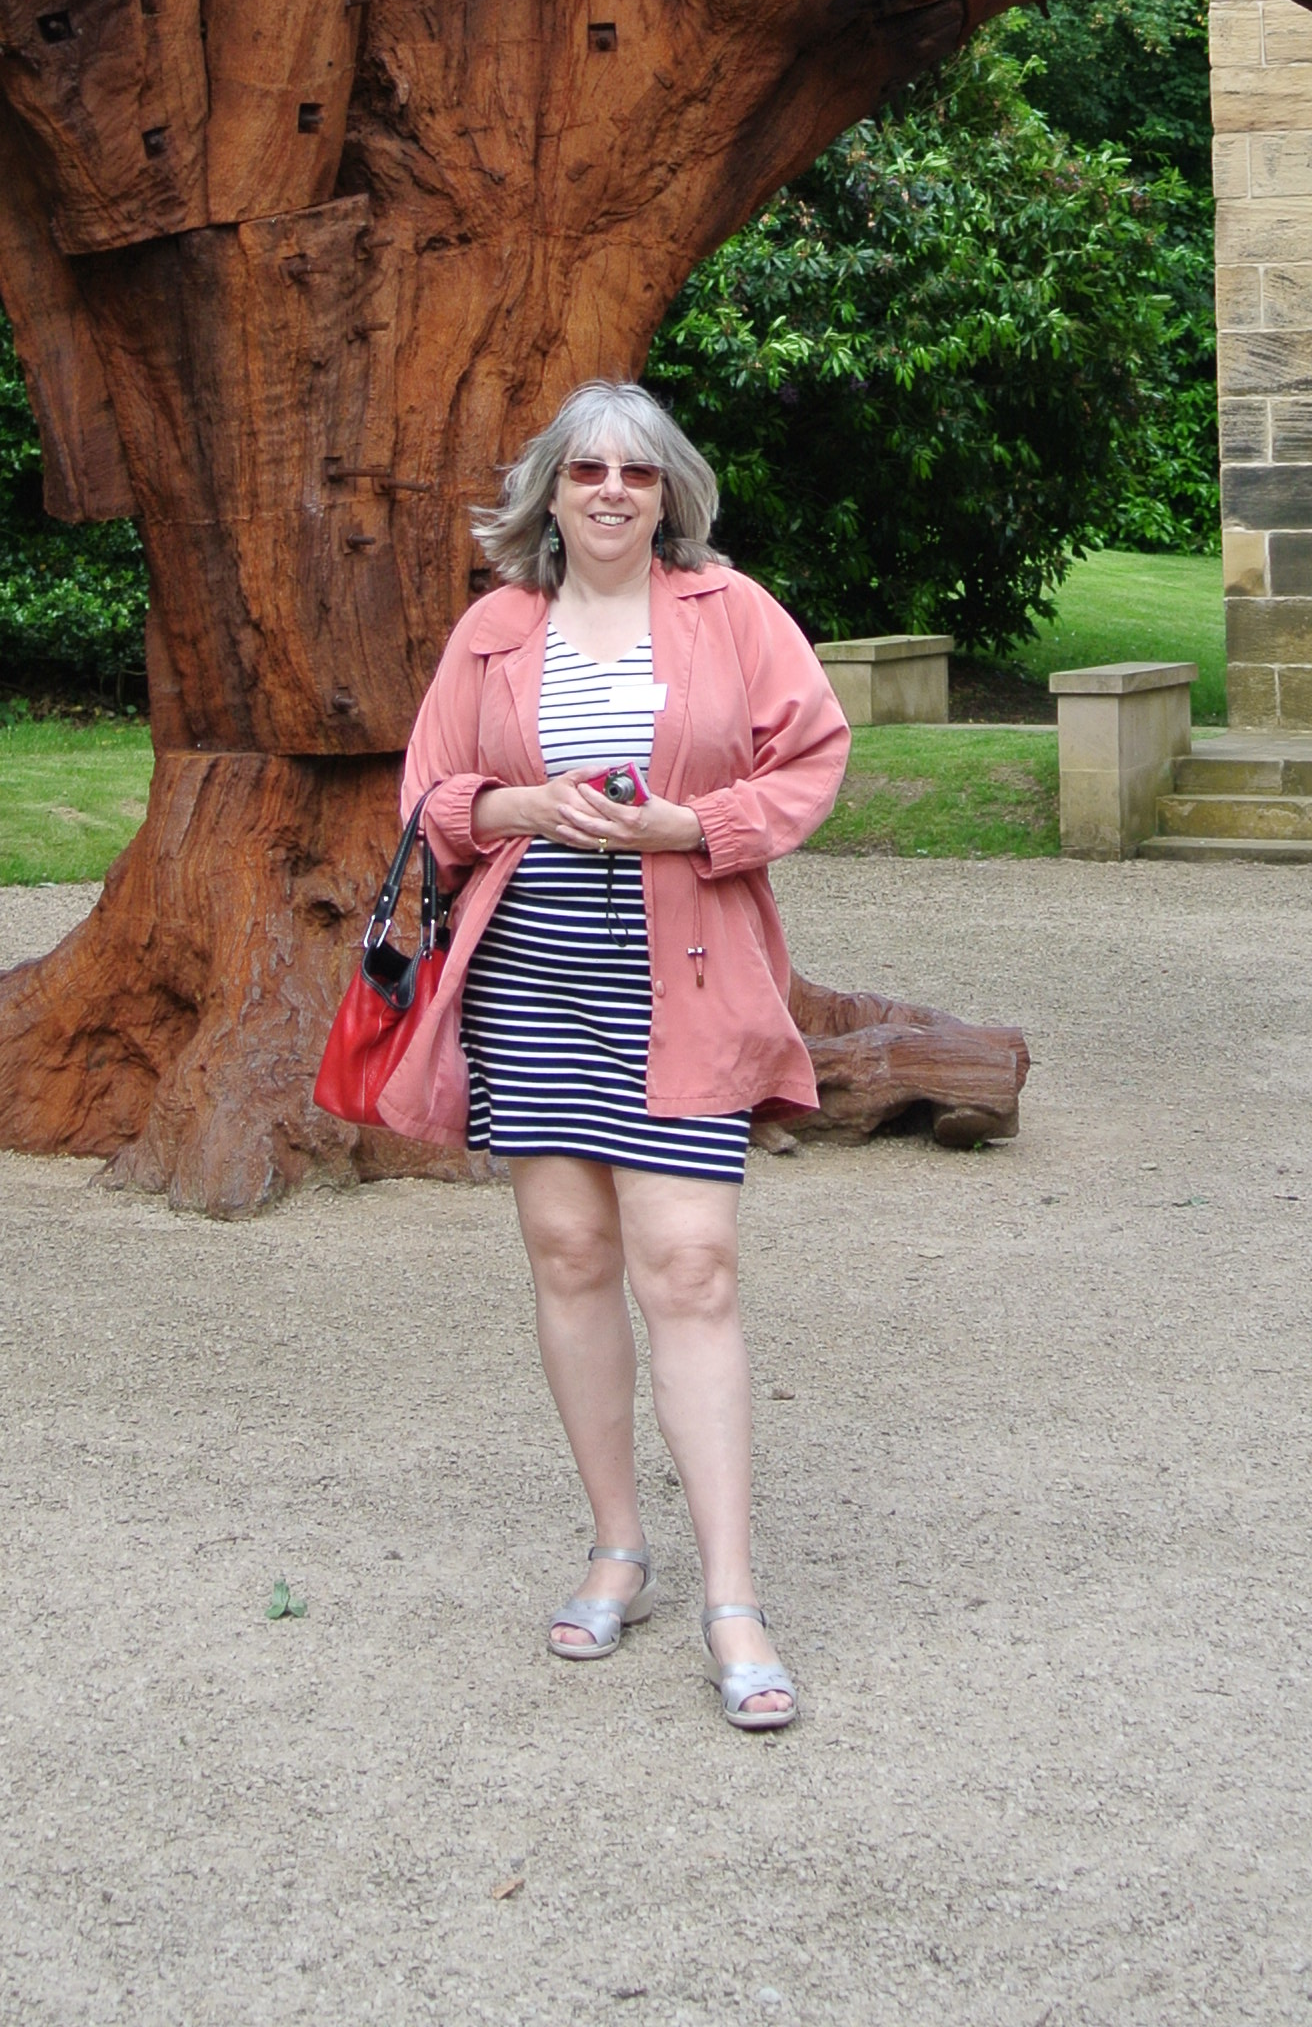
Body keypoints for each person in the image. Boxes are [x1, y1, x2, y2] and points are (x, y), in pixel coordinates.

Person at [378, 380, 849, 1732]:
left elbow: (811, 759)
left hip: (684, 982)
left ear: (669, 495)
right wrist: (519, 804)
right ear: (549, 494)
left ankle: (733, 1601)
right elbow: (429, 797)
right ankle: (616, 1548)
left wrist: (692, 831)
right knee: (574, 1261)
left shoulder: (734, 613)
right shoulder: (494, 630)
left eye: (637, 475)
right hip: (528, 982)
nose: (610, 491)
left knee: (690, 1268)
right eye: (585, 470)